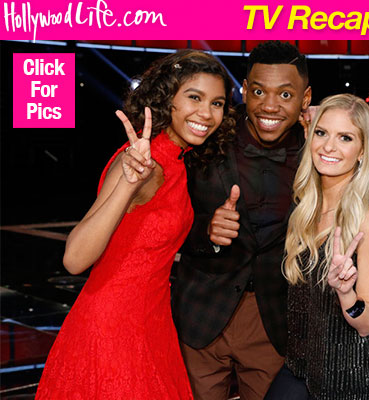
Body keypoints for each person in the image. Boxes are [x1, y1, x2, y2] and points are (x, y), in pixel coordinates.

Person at [35, 50, 235, 400]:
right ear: (167, 99)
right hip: (112, 330)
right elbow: (75, 259)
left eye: (216, 103)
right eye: (194, 97)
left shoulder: (177, 160)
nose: (207, 113)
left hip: (151, 323)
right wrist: (127, 185)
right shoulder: (145, 164)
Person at [172, 41, 312, 399]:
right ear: (245, 90)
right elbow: (162, 223)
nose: (270, 105)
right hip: (201, 317)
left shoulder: (319, 151)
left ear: (306, 98)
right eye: (260, 91)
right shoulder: (206, 136)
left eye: (285, 94)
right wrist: (207, 230)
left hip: (274, 323)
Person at [266, 94, 369, 400]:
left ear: (362, 151)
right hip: (298, 368)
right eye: (322, 133)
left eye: (345, 138)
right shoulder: (305, 208)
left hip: (344, 382)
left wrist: (346, 293)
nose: (328, 147)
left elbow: (368, 323)